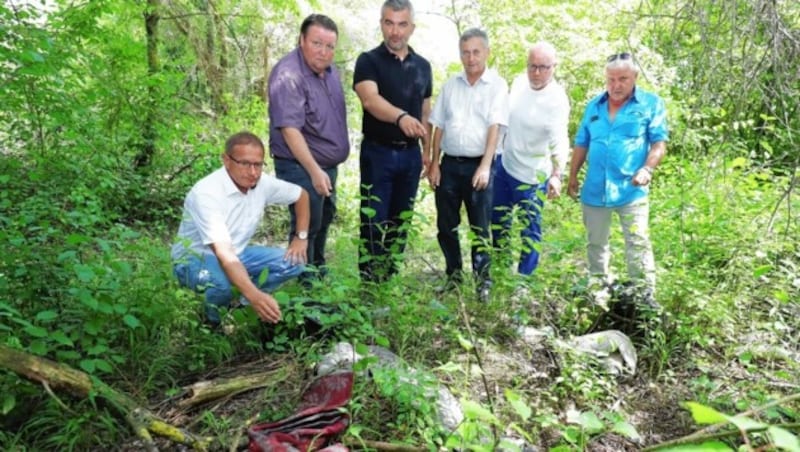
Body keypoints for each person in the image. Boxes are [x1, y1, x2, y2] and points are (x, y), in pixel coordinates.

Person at [171, 132, 311, 327]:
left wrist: (301, 237)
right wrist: (255, 294)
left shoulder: (262, 183)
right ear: (226, 160)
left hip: (236, 253)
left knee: (294, 263)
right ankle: (212, 322)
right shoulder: (207, 193)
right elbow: (223, 253)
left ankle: (241, 308)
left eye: (258, 164)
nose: (253, 172)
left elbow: (301, 195)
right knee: (221, 286)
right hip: (195, 258)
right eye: (244, 164)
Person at [567, 52, 668, 307]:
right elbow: (581, 142)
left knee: (638, 241)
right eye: (611, 79)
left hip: (631, 190)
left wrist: (647, 169)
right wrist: (572, 176)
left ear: (634, 77)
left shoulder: (650, 104)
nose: (616, 85)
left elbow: (659, 143)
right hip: (595, 190)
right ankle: (599, 292)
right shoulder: (594, 106)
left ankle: (644, 296)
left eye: (622, 78)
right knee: (596, 243)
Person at [353, 0, 432, 282]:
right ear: (381, 24)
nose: (395, 31)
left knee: (401, 221)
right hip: (378, 153)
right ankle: (369, 284)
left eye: (401, 24)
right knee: (373, 220)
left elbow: (425, 112)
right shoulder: (368, 60)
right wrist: (400, 118)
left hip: (410, 156)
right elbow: (370, 100)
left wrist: (428, 153)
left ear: (412, 27)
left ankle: (389, 279)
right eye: (389, 23)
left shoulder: (423, 66)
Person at [427, 28, 508, 302]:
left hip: (479, 165)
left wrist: (486, 166)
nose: (470, 58)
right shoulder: (451, 85)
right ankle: (453, 274)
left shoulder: (496, 85)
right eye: (465, 52)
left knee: (480, 226)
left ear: (486, 52)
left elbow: (495, 126)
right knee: (445, 224)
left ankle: (483, 281)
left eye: (476, 51)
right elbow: (437, 125)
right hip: (449, 165)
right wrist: (434, 163)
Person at [268, 14, 349, 285]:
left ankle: (317, 271)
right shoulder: (288, 74)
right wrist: (314, 171)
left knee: (323, 218)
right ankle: (306, 288)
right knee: (306, 225)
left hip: (325, 166)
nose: (324, 52)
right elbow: (290, 130)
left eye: (330, 46)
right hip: (300, 165)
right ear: (302, 40)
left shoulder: (329, 70)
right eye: (317, 43)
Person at [491, 42, 570, 276]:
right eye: (532, 66)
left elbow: (559, 140)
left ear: (553, 67)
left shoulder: (557, 100)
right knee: (498, 222)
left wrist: (557, 175)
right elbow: (503, 121)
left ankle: (524, 280)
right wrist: (492, 157)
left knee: (530, 231)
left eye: (543, 67)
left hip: (534, 177)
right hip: (505, 167)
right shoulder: (518, 83)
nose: (536, 73)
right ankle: (500, 271)